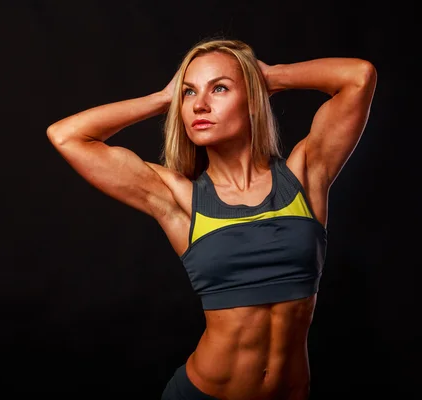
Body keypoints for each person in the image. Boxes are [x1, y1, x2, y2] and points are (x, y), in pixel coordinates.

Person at [46, 37, 376, 400]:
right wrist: (163, 98)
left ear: (251, 98)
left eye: (219, 88)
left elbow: (359, 77)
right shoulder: (180, 197)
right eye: (189, 93)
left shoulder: (304, 176)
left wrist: (269, 77)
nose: (199, 104)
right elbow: (67, 136)